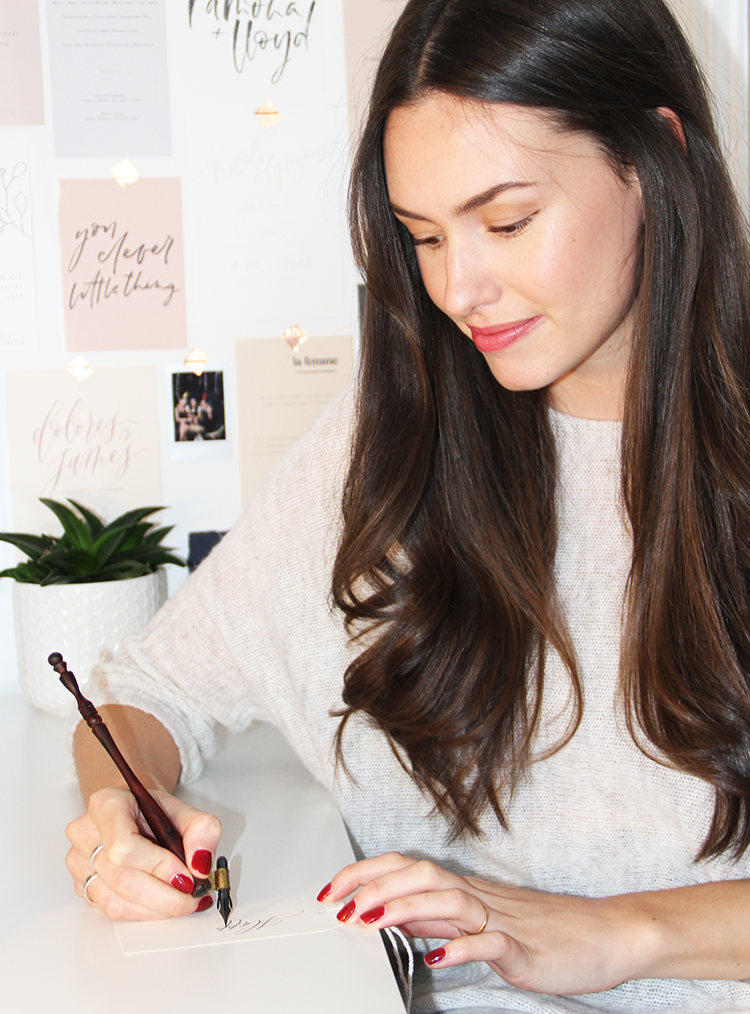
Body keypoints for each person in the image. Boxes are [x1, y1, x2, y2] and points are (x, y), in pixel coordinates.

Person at [65, 1, 750, 1010]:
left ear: (652, 158)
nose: (459, 287)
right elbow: (147, 694)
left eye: (507, 221)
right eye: (424, 237)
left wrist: (612, 931)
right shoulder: (394, 433)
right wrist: (122, 811)